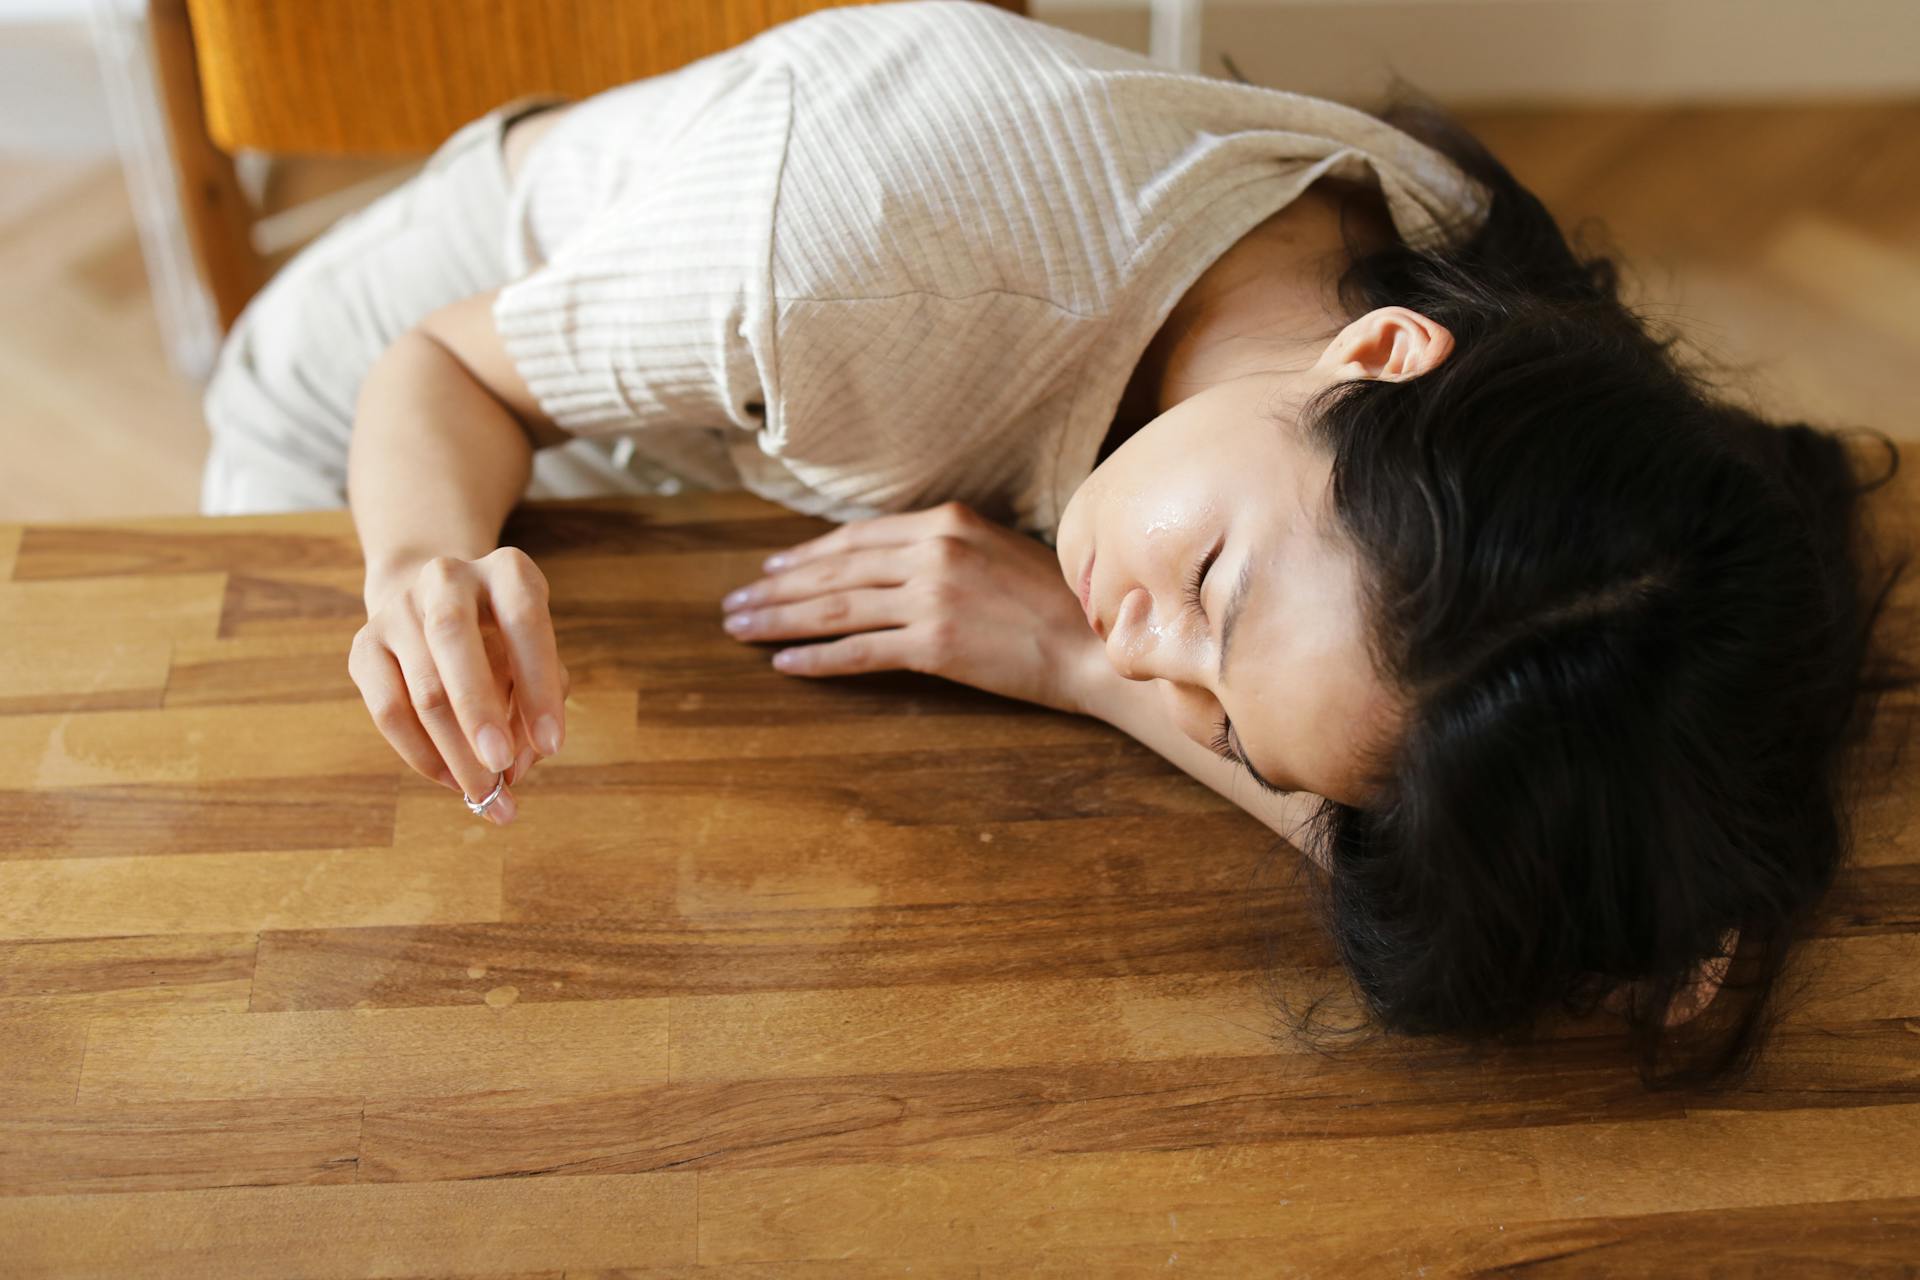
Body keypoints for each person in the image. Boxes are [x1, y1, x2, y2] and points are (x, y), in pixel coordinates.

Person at [200, 0, 1916, 1091]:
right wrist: (422, 568)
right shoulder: (849, 268)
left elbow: (1381, 777)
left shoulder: (1483, 346)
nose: (1157, 652)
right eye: (1213, 593)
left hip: (737, 439)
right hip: (403, 397)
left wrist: (1070, 660)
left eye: (1223, 720)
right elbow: (433, 362)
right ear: (1378, 364)